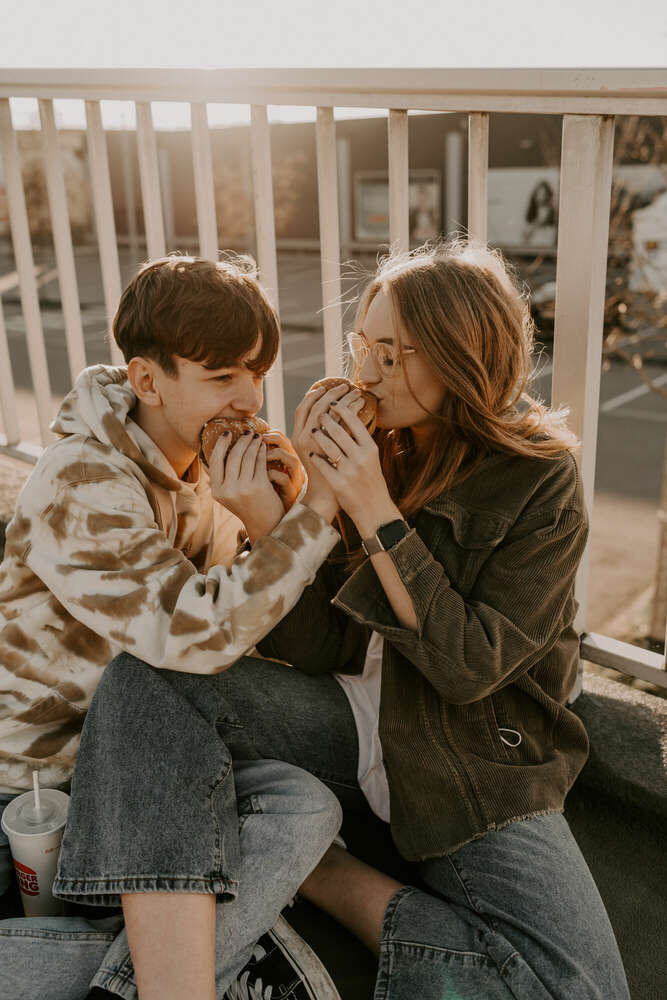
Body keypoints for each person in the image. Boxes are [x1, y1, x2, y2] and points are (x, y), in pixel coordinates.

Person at [42, 240, 630, 1000]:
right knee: (149, 678)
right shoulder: (369, 436)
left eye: (396, 353)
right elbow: (323, 646)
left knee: (584, 990)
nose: (369, 371)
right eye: (365, 343)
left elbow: (470, 669)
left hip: (472, 755)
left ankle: (323, 876)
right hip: (346, 722)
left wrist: (372, 508)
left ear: (463, 357)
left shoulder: (540, 480)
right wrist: (270, 517)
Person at [0, 254, 347, 999]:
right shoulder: (81, 479)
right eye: (222, 376)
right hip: (50, 791)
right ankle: (191, 957)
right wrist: (315, 515)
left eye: (256, 370)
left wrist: (266, 524)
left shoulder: (200, 472)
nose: (250, 397)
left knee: (307, 805)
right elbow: (200, 638)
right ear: (148, 380)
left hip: (155, 763)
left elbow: (237, 636)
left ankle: (131, 976)